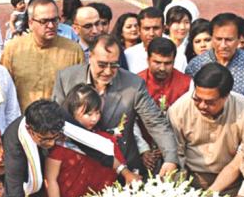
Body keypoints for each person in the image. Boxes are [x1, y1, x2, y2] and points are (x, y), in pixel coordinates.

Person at [53, 35, 179, 176]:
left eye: (114, 65)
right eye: (102, 65)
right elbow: (57, 120)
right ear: (90, 57)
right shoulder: (66, 78)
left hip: (123, 166)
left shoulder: (133, 84)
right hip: (77, 164)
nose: (107, 71)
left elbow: (156, 123)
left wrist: (170, 158)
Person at [168, 63, 244, 197]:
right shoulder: (180, 109)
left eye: (209, 102)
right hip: (190, 183)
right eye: (197, 99)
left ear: (226, 96)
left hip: (231, 186)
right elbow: (175, 155)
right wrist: (179, 193)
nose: (202, 106)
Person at [43, 85, 134, 197]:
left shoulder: (105, 141)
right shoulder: (59, 144)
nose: (94, 118)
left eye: (97, 113)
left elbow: (119, 172)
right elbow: (50, 180)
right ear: (71, 113)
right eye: (87, 113)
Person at [2, 0, 83, 110]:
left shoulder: (73, 50)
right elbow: (3, 89)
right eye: (44, 21)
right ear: (30, 23)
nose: (50, 26)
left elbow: (80, 92)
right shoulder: (13, 49)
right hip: (23, 121)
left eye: (54, 20)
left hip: (61, 121)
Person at [186, 13, 244, 103]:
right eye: (219, 39)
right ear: (212, 37)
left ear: (239, 39)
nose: (223, 45)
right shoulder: (196, 65)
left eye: (229, 40)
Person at [125, 7, 186, 74]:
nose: (151, 33)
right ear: (139, 30)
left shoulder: (178, 57)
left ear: (163, 29)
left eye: (156, 28)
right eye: (147, 29)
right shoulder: (128, 55)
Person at [138, 37, 191, 111]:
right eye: (157, 63)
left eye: (167, 63)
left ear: (174, 61)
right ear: (148, 60)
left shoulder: (187, 84)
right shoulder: (137, 83)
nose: (162, 68)